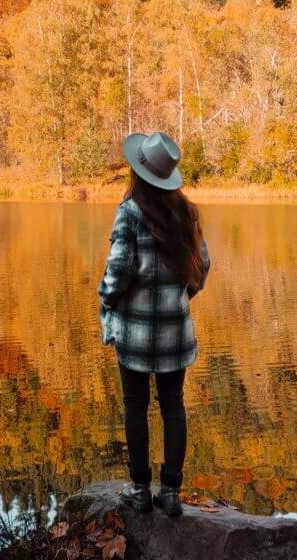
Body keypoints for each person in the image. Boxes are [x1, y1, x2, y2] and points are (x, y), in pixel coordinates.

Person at [98, 131, 210, 516]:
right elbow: (201, 270)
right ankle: (172, 493)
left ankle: (140, 489)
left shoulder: (130, 213)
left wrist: (107, 300)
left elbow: (118, 271)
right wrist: (177, 302)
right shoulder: (188, 213)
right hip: (176, 334)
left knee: (135, 405)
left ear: (139, 173)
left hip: (135, 333)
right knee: (173, 406)